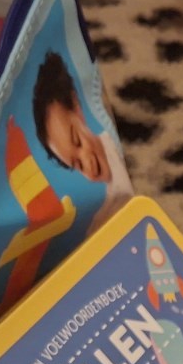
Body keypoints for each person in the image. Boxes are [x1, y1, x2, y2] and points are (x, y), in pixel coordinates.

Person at [30, 51, 134, 231]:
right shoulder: (103, 215)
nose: (87, 163)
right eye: (76, 164)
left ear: (76, 104)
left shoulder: (118, 148)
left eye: (78, 141)